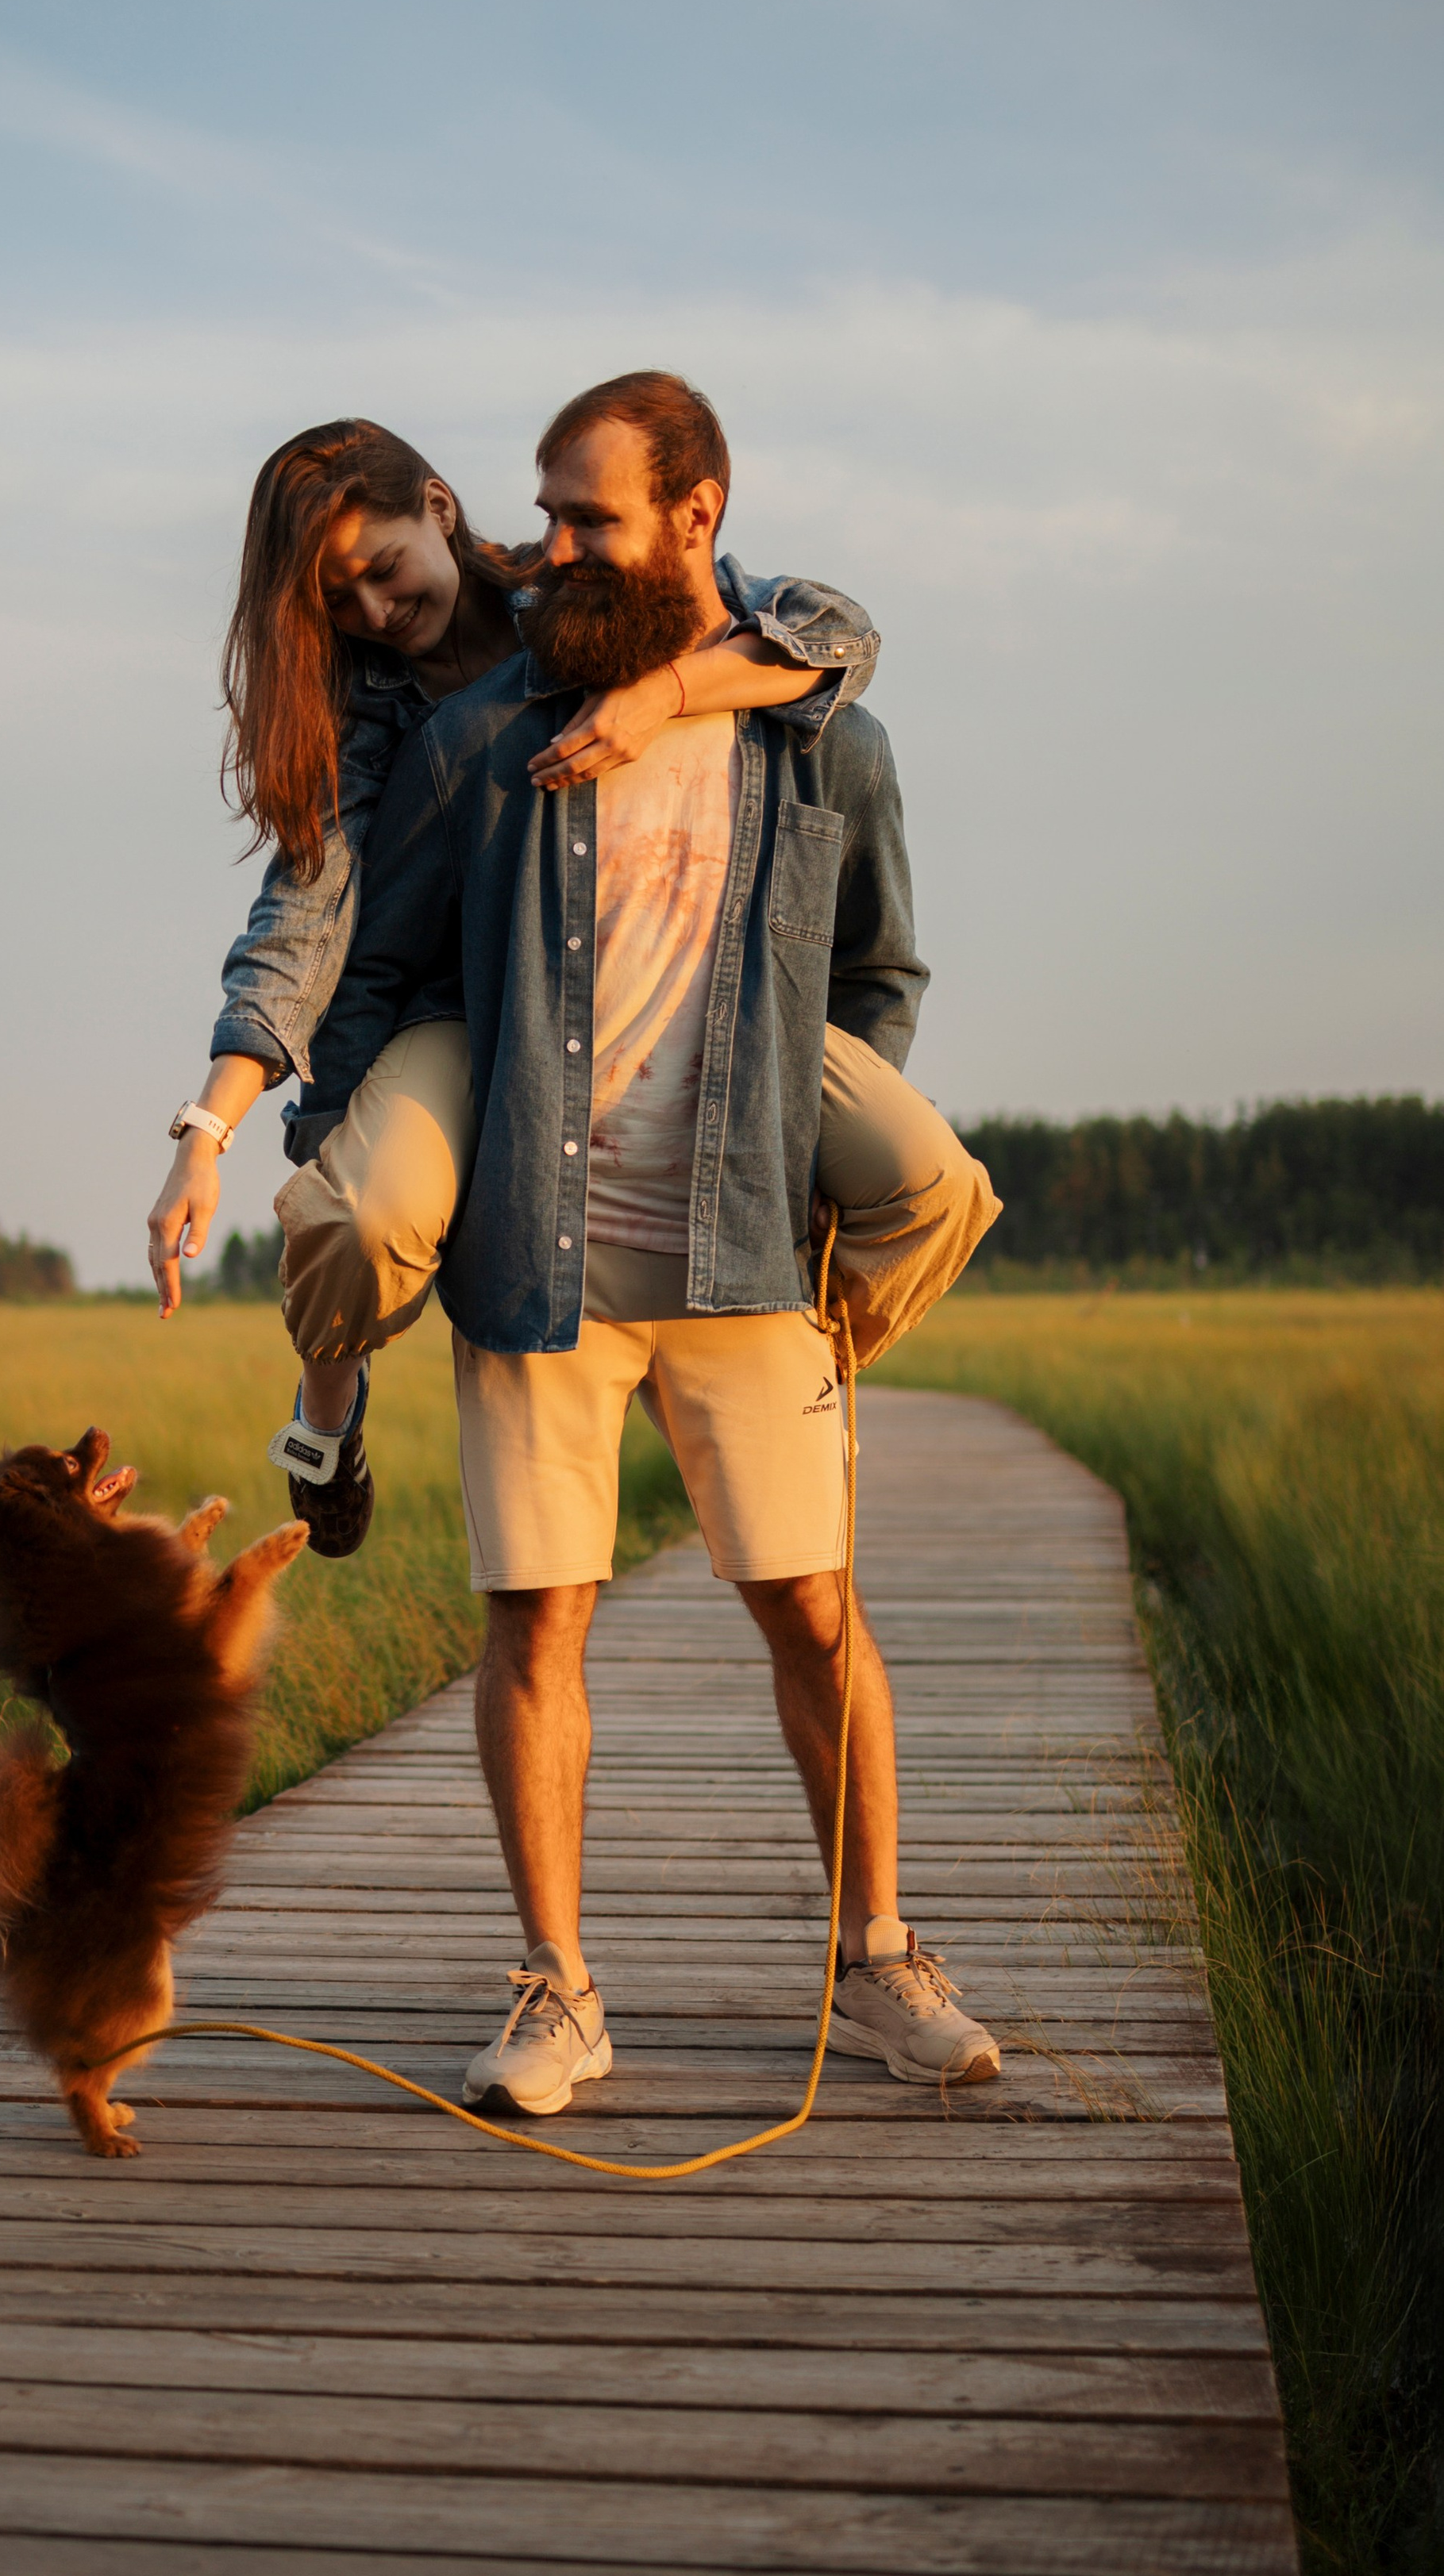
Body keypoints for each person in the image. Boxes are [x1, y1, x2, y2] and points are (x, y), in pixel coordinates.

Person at [299, 370, 1002, 2104]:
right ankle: (556, 1990)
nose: (545, 552)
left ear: (696, 515)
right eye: (540, 514)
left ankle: (880, 1955)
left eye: (587, 517)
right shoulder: (481, 745)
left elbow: (877, 981)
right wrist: (361, 1160)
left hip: (745, 1252)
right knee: (534, 1626)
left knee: (815, 1615)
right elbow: (380, 976)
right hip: (537, 1261)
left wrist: (802, 1136)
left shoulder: (822, 736)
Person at [148, 414, 992, 1556]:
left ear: (440, 509)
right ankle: (327, 1417)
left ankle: (786, 1363)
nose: (376, 617)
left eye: (384, 573)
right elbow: (305, 916)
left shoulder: (576, 589)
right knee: (362, 1209)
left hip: (649, 979)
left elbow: (828, 631)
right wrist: (210, 1126)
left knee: (938, 1184)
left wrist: (669, 692)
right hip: (457, 1001)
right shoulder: (366, 717)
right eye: (337, 605)